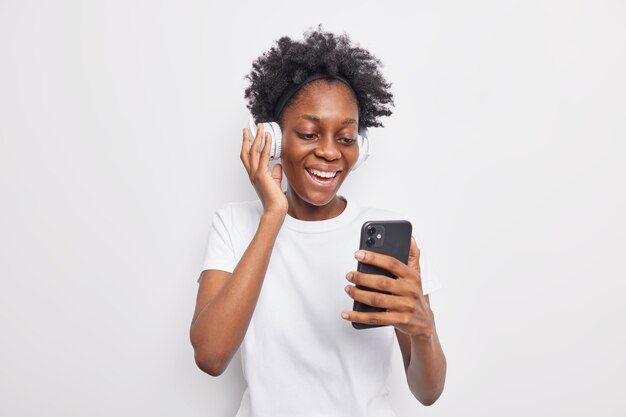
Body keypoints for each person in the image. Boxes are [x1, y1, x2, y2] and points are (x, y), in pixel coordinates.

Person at [190, 26, 447, 416]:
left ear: (360, 148)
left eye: (345, 138)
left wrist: (423, 330)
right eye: (310, 133)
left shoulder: (391, 233)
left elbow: (428, 393)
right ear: (272, 139)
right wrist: (274, 215)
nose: (329, 152)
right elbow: (210, 356)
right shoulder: (234, 223)